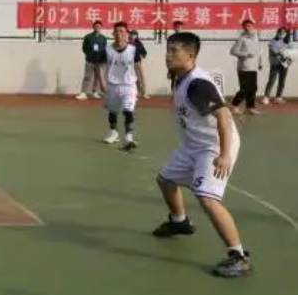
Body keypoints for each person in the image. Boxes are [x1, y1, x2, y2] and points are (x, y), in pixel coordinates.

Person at [154, 31, 249, 278]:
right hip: (193, 144)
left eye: (174, 51)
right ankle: (180, 222)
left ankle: (239, 256)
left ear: (191, 55)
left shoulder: (198, 84)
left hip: (213, 146)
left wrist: (224, 155)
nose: (168, 55)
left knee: (207, 198)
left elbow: (224, 117)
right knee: (165, 180)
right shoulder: (180, 76)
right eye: (167, 50)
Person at [103, 21, 146, 150]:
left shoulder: (133, 50)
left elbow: (138, 67)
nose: (119, 34)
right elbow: (100, 67)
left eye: (122, 31)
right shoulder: (107, 50)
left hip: (129, 85)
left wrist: (142, 84)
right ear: (113, 34)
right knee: (113, 111)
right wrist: (101, 82)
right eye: (116, 31)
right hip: (112, 85)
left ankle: (128, 136)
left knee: (128, 110)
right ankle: (114, 133)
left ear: (127, 34)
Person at [228, 19, 262, 115]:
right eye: (246, 26)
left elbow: (258, 52)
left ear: (253, 27)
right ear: (243, 27)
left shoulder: (256, 37)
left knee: (253, 88)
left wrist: (260, 62)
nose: (248, 28)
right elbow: (233, 51)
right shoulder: (241, 38)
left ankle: (250, 108)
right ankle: (234, 105)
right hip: (244, 67)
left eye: (250, 26)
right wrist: (246, 54)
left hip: (253, 67)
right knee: (245, 89)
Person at [76, 20, 107, 100]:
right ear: (93, 27)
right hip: (90, 60)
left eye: (99, 27)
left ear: (101, 28)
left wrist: (103, 59)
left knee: (97, 77)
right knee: (87, 76)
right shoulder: (88, 37)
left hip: (100, 61)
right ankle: (83, 93)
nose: (97, 28)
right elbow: (84, 48)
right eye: (96, 26)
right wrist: (89, 54)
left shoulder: (103, 38)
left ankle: (95, 92)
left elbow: (105, 49)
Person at [263, 26, 291, 105]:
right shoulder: (273, 41)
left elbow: (291, 53)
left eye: (284, 32)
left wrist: (289, 59)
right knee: (271, 81)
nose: (282, 33)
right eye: (280, 32)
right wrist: (282, 53)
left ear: (286, 33)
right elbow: (274, 52)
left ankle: (278, 97)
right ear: (277, 33)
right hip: (275, 64)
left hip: (285, 64)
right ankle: (266, 97)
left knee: (282, 81)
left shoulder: (287, 42)